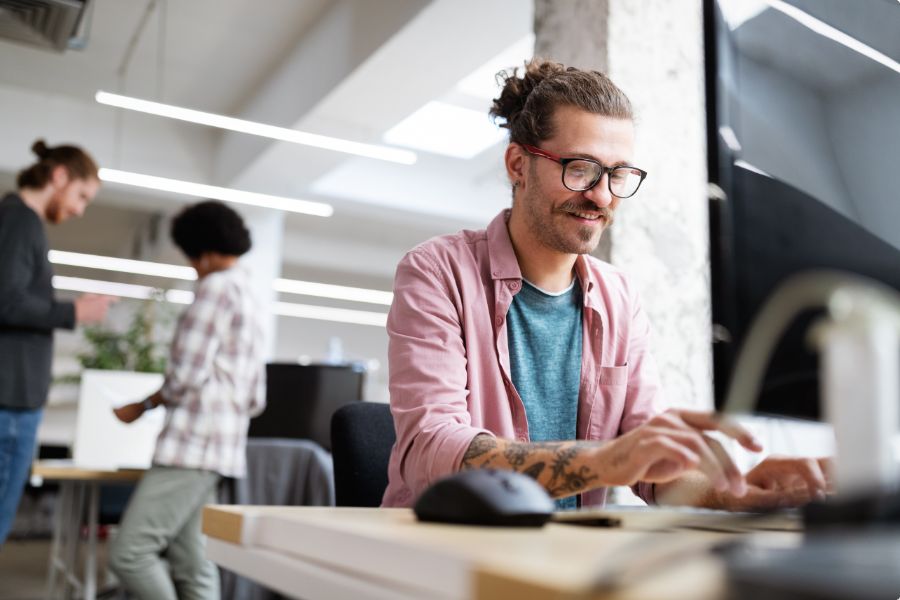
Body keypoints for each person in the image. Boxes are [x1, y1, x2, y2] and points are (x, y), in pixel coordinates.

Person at [382, 60, 830, 511]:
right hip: (447, 553)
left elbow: (653, 469)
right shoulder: (438, 271)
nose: (601, 195)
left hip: (566, 557)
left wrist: (737, 489)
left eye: (618, 174)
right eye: (580, 168)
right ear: (518, 164)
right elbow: (432, 450)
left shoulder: (619, 298)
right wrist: (608, 460)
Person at [109, 201, 266, 600]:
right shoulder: (250, 293)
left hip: (191, 446)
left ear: (206, 251)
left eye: (191, 258)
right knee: (193, 562)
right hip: (220, 449)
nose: (192, 267)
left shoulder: (214, 290)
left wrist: (142, 405)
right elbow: (255, 397)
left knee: (130, 553)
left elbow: (185, 377)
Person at [0, 140, 113, 545]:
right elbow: (6, 301)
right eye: (81, 196)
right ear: (59, 176)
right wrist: (73, 313)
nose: (80, 209)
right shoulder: (20, 221)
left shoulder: (16, 220)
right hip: (10, 403)